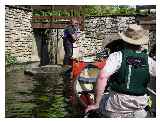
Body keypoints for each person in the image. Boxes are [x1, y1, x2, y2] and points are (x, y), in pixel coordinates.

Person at [85, 24, 156, 118]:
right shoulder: (148, 60)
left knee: (102, 101)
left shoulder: (117, 56)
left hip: (115, 107)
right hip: (138, 109)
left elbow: (102, 77)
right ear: (141, 43)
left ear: (125, 41)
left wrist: (96, 104)